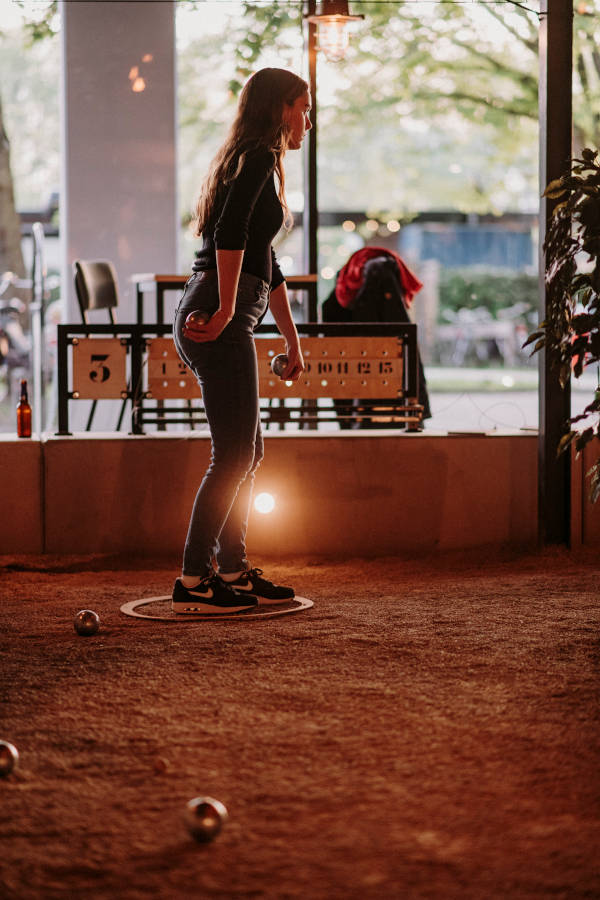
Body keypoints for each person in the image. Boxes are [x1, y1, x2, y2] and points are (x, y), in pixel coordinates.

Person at [171, 68, 310, 615]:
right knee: (232, 454)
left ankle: (231, 568)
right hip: (217, 312)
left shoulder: (254, 160)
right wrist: (227, 309)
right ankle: (193, 580)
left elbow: (265, 260)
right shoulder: (254, 156)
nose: (307, 122)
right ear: (280, 108)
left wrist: (293, 340)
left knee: (247, 452)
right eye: (303, 108)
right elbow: (228, 235)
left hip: (229, 312)